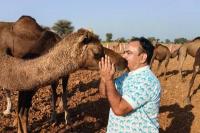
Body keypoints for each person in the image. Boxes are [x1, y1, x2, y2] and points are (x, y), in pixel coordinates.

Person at [99, 37, 161, 133]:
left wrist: (109, 79)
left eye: (128, 53)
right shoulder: (126, 76)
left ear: (143, 57)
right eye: (124, 52)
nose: (123, 56)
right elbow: (104, 93)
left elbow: (119, 109)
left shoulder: (146, 81)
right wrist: (104, 78)